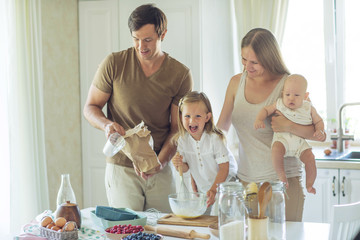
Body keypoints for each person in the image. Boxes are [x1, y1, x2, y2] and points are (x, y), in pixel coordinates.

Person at [83, 4, 193, 213]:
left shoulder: (180, 75)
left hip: (160, 167)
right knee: (127, 231)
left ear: (163, 35)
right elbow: (90, 107)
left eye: (148, 39)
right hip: (121, 167)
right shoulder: (114, 63)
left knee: (161, 231)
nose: (141, 46)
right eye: (135, 39)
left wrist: (159, 164)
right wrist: (106, 125)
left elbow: (177, 129)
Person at [216, 28, 326, 221]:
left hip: (282, 185)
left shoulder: (288, 85)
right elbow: (220, 129)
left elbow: (314, 131)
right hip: (245, 183)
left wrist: (289, 126)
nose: (247, 67)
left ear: (268, 59)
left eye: (254, 62)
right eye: (244, 59)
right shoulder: (236, 83)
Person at [254, 74, 325, 194]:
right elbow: (266, 110)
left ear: (305, 96)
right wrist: (259, 119)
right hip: (282, 139)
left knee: (310, 158)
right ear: (283, 94)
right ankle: (282, 177)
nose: (291, 98)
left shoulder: (309, 107)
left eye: (296, 95)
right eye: (287, 95)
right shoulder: (279, 103)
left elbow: (319, 121)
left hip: (299, 143)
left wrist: (320, 130)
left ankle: (309, 184)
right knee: (276, 150)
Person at [171, 91, 237, 215]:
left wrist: (214, 190)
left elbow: (224, 168)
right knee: (203, 219)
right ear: (181, 117)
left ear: (207, 117)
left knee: (219, 217)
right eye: (187, 116)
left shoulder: (215, 139)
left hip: (224, 186)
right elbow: (185, 168)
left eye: (197, 116)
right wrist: (178, 164)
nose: (192, 121)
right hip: (204, 189)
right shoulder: (182, 141)